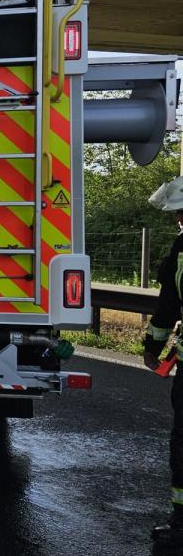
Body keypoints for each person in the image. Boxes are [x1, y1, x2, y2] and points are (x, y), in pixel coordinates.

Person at [144, 176, 183, 546]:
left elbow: (169, 304)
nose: (177, 220)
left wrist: (152, 345)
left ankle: (182, 525)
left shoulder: (182, 251)